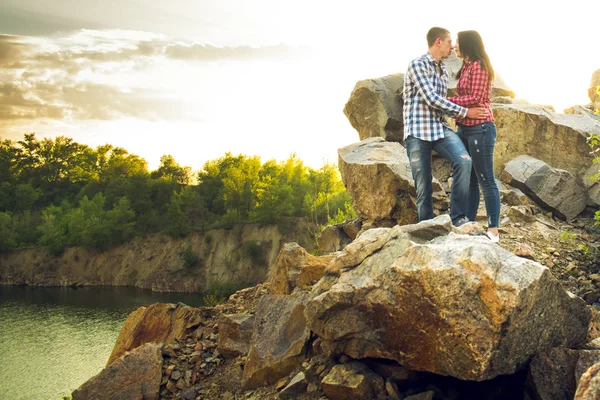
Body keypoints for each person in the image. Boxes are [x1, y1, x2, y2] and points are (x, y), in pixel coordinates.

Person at [403, 27, 487, 227]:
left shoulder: (444, 70)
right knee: (424, 187)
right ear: (438, 41)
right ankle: (427, 228)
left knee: (464, 161)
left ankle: (457, 218)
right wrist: (466, 112)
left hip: (440, 128)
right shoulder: (417, 65)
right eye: (450, 42)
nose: (453, 46)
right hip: (417, 131)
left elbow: (442, 101)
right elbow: (432, 99)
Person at [447, 30, 501, 242]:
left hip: (481, 128)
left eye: (458, 42)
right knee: (470, 180)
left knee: (486, 178)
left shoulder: (478, 65)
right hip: (465, 127)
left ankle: (493, 231)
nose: (454, 46)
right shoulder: (467, 66)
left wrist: (448, 101)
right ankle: (469, 222)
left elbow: (477, 97)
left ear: (468, 44)